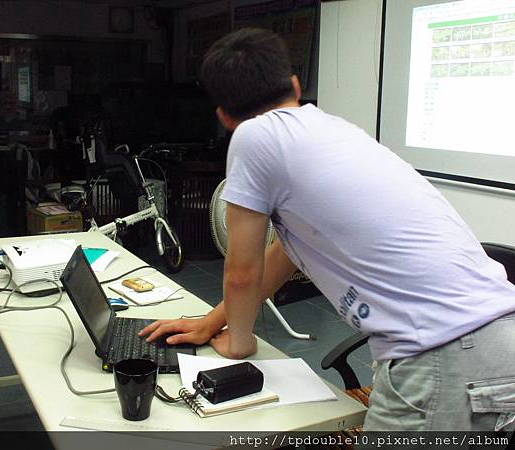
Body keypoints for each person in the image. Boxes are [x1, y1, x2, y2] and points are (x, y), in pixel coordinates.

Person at [139, 28, 515, 431]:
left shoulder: (254, 136)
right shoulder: (332, 130)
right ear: (296, 87)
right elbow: (283, 253)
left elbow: (242, 270)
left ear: (224, 117)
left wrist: (240, 342)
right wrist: (213, 322)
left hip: (442, 360)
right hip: (493, 342)